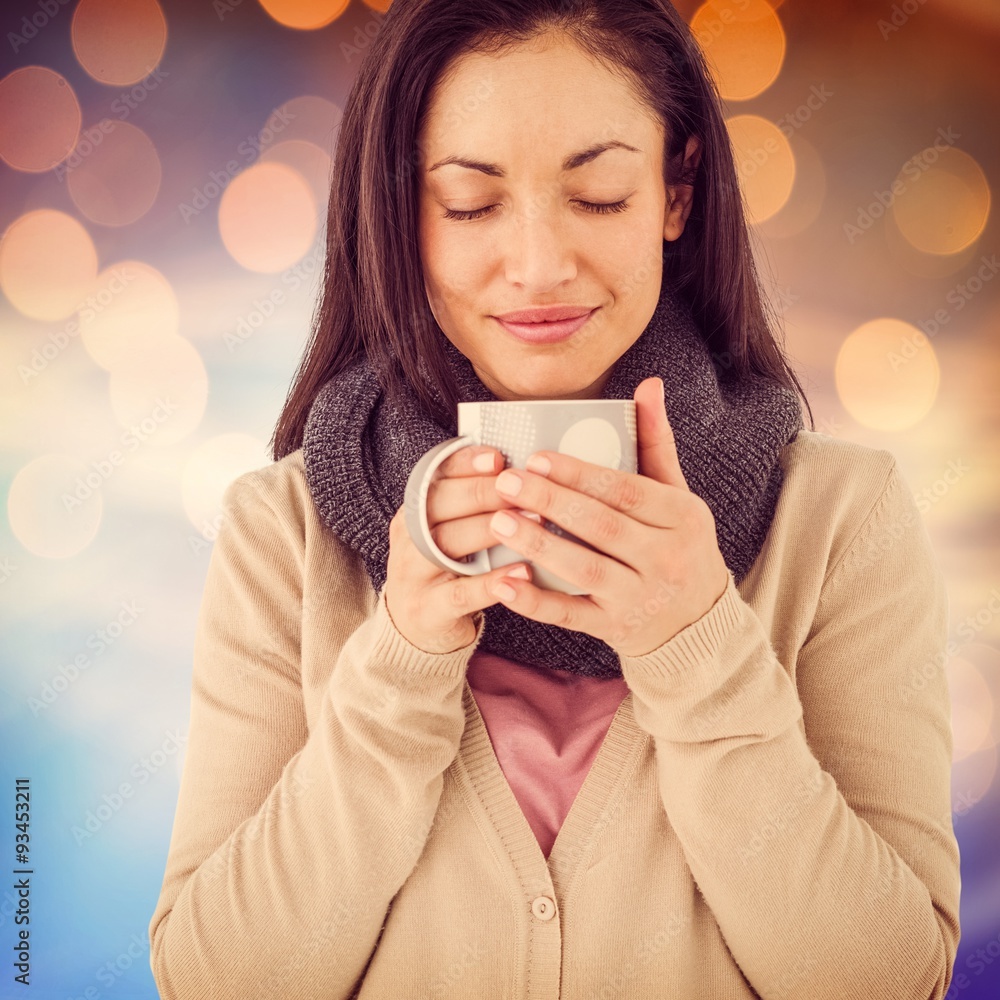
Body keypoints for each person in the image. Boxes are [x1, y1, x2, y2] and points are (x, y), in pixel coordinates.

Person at [148, 1, 961, 997]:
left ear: (675, 192)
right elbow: (212, 980)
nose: (537, 265)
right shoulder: (282, 533)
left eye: (599, 195)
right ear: (399, 214)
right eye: (469, 203)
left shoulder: (839, 519)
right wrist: (402, 653)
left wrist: (696, 643)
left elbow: (889, 980)